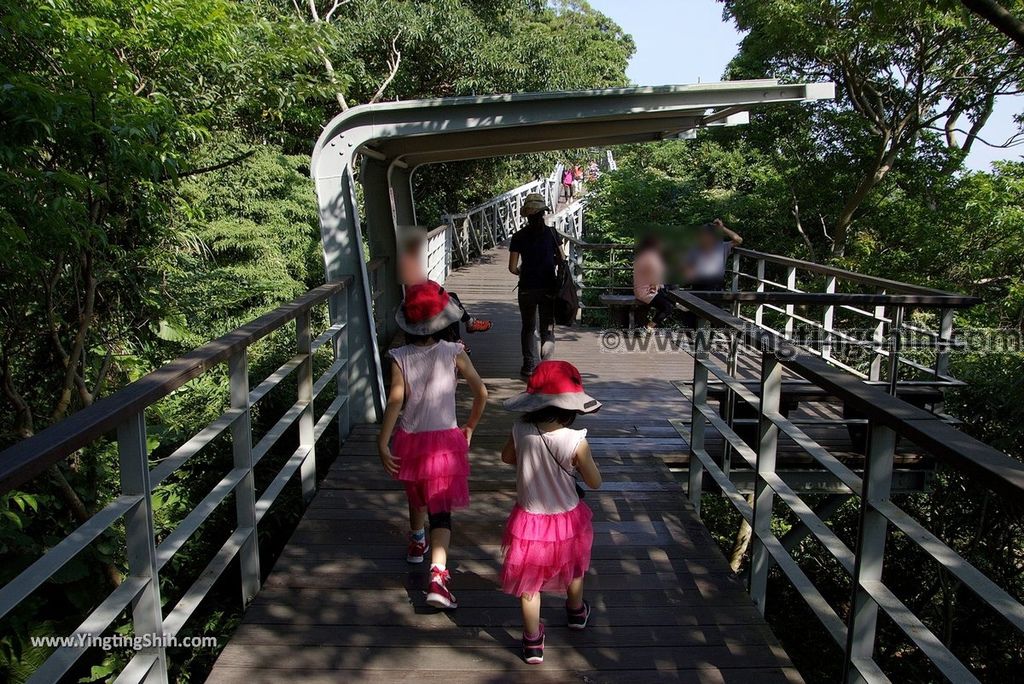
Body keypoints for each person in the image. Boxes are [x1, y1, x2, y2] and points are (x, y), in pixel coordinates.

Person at [377, 280, 488, 610]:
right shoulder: (454, 352)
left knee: (416, 491)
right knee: (441, 512)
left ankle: (416, 543)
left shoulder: (399, 357)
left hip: (411, 440)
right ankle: (438, 578)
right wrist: (469, 426)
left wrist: (383, 441)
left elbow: (396, 399)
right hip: (445, 442)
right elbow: (481, 393)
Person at [500, 360, 603, 665]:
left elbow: (507, 458)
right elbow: (594, 482)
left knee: (529, 582)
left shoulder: (520, 430)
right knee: (573, 567)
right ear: (572, 407)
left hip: (529, 519)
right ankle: (575, 612)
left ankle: (532, 642)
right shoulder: (575, 440)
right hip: (568, 518)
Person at [398, 228, 492, 338]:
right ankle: (462, 333)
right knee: (450, 303)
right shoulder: (408, 265)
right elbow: (416, 294)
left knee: (451, 299)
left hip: (421, 304)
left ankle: (464, 330)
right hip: (420, 310)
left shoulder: (409, 263)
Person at [508, 193, 561, 378]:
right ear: (543, 213)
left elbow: (512, 267)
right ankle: (545, 366)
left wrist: (523, 271)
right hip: (549, 287)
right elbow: (562, 259)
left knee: (528, 328)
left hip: (527, 288)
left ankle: (528, 365)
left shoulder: (518, 236)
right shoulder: (552, 234)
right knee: (547, 328)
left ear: (527, 215)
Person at [683, 218, 743, 291]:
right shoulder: (694, 248)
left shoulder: (722, 246)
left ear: (712, 237)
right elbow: (687, 265)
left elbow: (739, 240)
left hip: (716, 282)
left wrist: (722, 228)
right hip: (698, 281)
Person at [633, 234, 674, 327]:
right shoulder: (651, 256)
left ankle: (646, 326)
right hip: (648, 291)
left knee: (671, 299)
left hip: (643, 290)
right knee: (668, 307)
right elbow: (655, 275)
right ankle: (650, 327)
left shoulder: (644, 255)